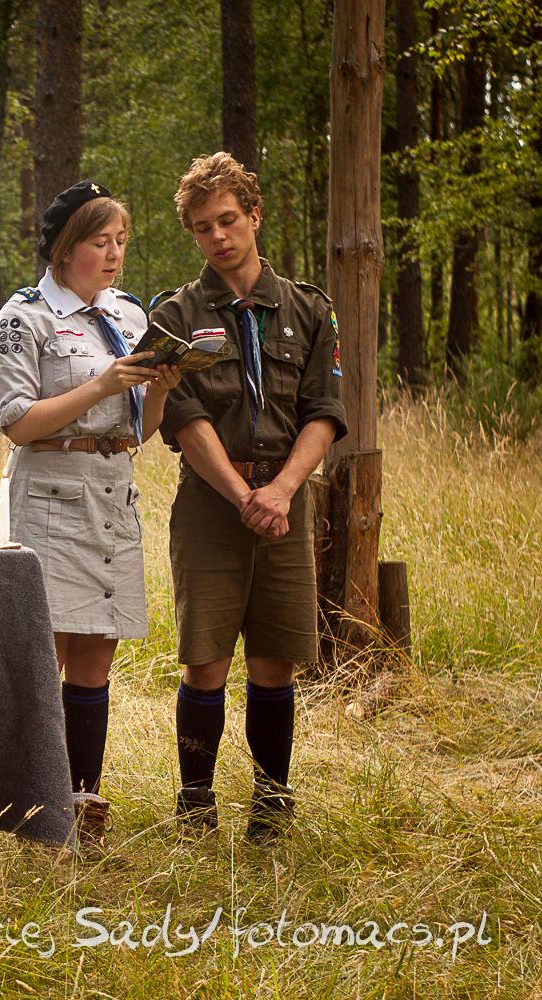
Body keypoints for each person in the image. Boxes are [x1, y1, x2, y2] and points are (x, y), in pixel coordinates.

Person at [152, 152, 346, 839]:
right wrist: (244, 496)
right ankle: (195, 803)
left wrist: (282, 490)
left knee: (274, 658)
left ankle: (271, 801)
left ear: (255, 216)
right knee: (205, 658)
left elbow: (325, 411)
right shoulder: (175, 315)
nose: (218, 236)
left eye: (228, 220)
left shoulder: (309, 308)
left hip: (286, 502)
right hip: (213, 502)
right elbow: (184, 420)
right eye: (203, 227)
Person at [0, 180, 182, 840]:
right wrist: (102, 383)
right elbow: (17, 422)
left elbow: (140, 429)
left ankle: (84, 801)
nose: (115, 254)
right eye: (101, 242)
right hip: (51, 492)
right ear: (67, 247)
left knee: (97, 655)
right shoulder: (25, 317)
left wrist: (160, 389)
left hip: (112, 491)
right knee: (46, 655)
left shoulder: (128, 316)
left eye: (122, 241)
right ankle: (37, 809)